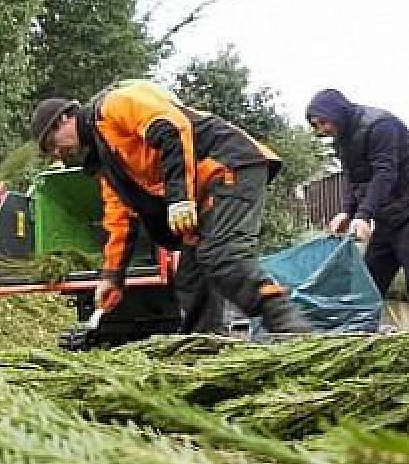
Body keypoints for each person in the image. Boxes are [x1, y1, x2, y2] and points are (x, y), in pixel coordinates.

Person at [30, 79, 310, 334]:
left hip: (227, 165)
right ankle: (204, 347)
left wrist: (179, 200)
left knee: (221, 255)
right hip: (200, 191)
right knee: (191, 278)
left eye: (51, 144)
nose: (56, 153)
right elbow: (120, 221)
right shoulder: (106, 164)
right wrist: (112, 277)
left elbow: (171, 129)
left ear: (65, 119)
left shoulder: (115, 104)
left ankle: (289, 325)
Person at [305, 89, 409, 297]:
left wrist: (363, 215)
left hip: (406, 213)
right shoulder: (343, 138)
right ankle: (363, 329)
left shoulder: (380, 126)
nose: (322, 129)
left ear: (338, 112)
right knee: (368, 288)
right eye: (316, 125)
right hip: (387, 219)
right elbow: (353, 178)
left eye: (324, 122)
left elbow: (385, 174)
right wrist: (347, 212)